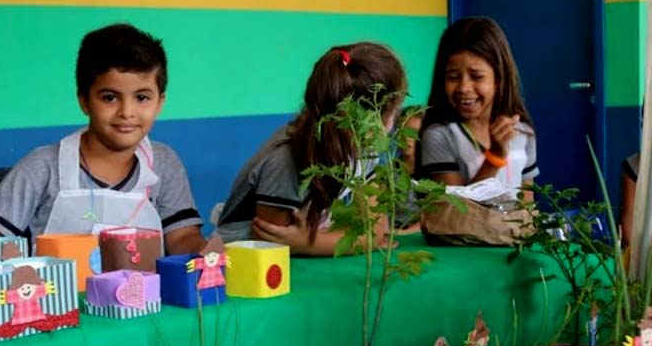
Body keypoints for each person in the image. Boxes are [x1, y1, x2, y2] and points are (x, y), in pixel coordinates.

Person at [0, 23, 205, 255]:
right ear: (84, 101)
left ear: (160, 102)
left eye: (142, 97)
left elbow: (182, 236)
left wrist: (205, 252)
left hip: (145, 296)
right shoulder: (42, 167)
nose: (127, 112)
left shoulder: (163, 163)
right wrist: (12, 264)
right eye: (110, 97)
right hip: (58, 296)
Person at [216, 43, 407, 254]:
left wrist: (310, 242)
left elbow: (372, 231)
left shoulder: (365, 144)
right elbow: (271, 244)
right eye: (396, 107)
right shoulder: (284, 160)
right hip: (238, 262)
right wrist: (320, 242)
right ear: (377, 118)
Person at [418, 17, 538, 201]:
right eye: (453, 77)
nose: (464, 87)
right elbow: (456, 213)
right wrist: (495, 157)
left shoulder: (522, 133)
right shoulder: (440, 135)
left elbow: (528, 207)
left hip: (513, 230)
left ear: (499, 77)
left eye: (477, 76)